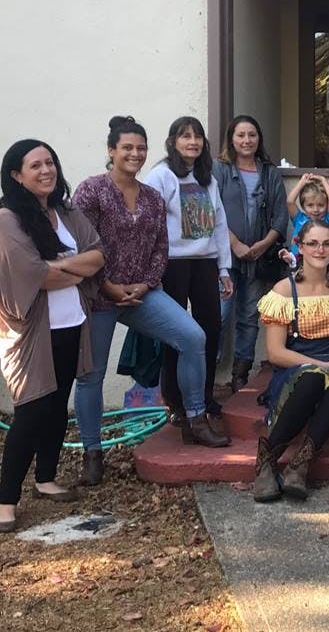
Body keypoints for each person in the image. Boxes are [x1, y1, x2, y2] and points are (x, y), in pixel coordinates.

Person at [74, 117, 227, 487]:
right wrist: (108, 286)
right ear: (111, 151)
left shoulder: (151, 196)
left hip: (143, 293)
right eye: (126, 147)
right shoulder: (91, 191)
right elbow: (80, 245)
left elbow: (161, 248)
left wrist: (144, 285)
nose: (134, 154)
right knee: (91, 375)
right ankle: (92, 453)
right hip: (99, 296)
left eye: (140, 147)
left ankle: (194, 418)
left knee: (193, 337)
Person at [0, 140, 105, 532]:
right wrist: (69, 271)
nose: (46, 171)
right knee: (31, 410)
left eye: (50, 163)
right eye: (35, 165)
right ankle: (5, 500)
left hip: (70, 323)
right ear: (16, 175)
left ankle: (45, 478)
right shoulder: (8, 219)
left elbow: (97, 255)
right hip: (30, 332)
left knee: (59, 404)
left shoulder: (65, 211)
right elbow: (32, 275)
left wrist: (60, 266)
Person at [253, 221, 329, 503]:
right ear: (300, 246)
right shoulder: (283, 291)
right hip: (295, 365)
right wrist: (319, 364)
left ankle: (299, 465)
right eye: (313, 243)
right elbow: (275, 353)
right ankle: (267, 461)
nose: (320, 249)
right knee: (314, 376)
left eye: (327, 243)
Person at [145, 117, 233, 425]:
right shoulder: (161, 175)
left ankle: (204, 397)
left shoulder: (208, 177)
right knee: (177, 333)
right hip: (173, 265)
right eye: (185, 136)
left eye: (197, 137)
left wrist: (224, 268)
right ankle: (175, 401)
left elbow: (220, 224)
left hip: (205, 262)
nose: (192, 141)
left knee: (210, 329)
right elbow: (150, 225)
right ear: (173, 141)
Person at [214, 115, 288, 392]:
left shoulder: (269, 172)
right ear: (231, 139)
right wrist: (235, 244)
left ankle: (240, 377)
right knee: (219, 315)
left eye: (252, 135)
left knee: (248, 317)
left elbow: (280, 217)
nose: (246, 140)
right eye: (241, 135)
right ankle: (207, 373)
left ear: (259, 139)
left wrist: (263, 244)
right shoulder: (219, 170)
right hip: (224, 257)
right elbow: (212, 212)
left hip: (259, 258)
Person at [286, 173, 329, 257]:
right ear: (303, 206)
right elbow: (290, 201)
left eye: (320, 205)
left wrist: (323, 179)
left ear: (326, 205)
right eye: (310, 205)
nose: (315, 209)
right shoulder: (299, 218)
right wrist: (302, 182)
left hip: (322, 262)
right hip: (298, 262)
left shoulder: (328, 219)